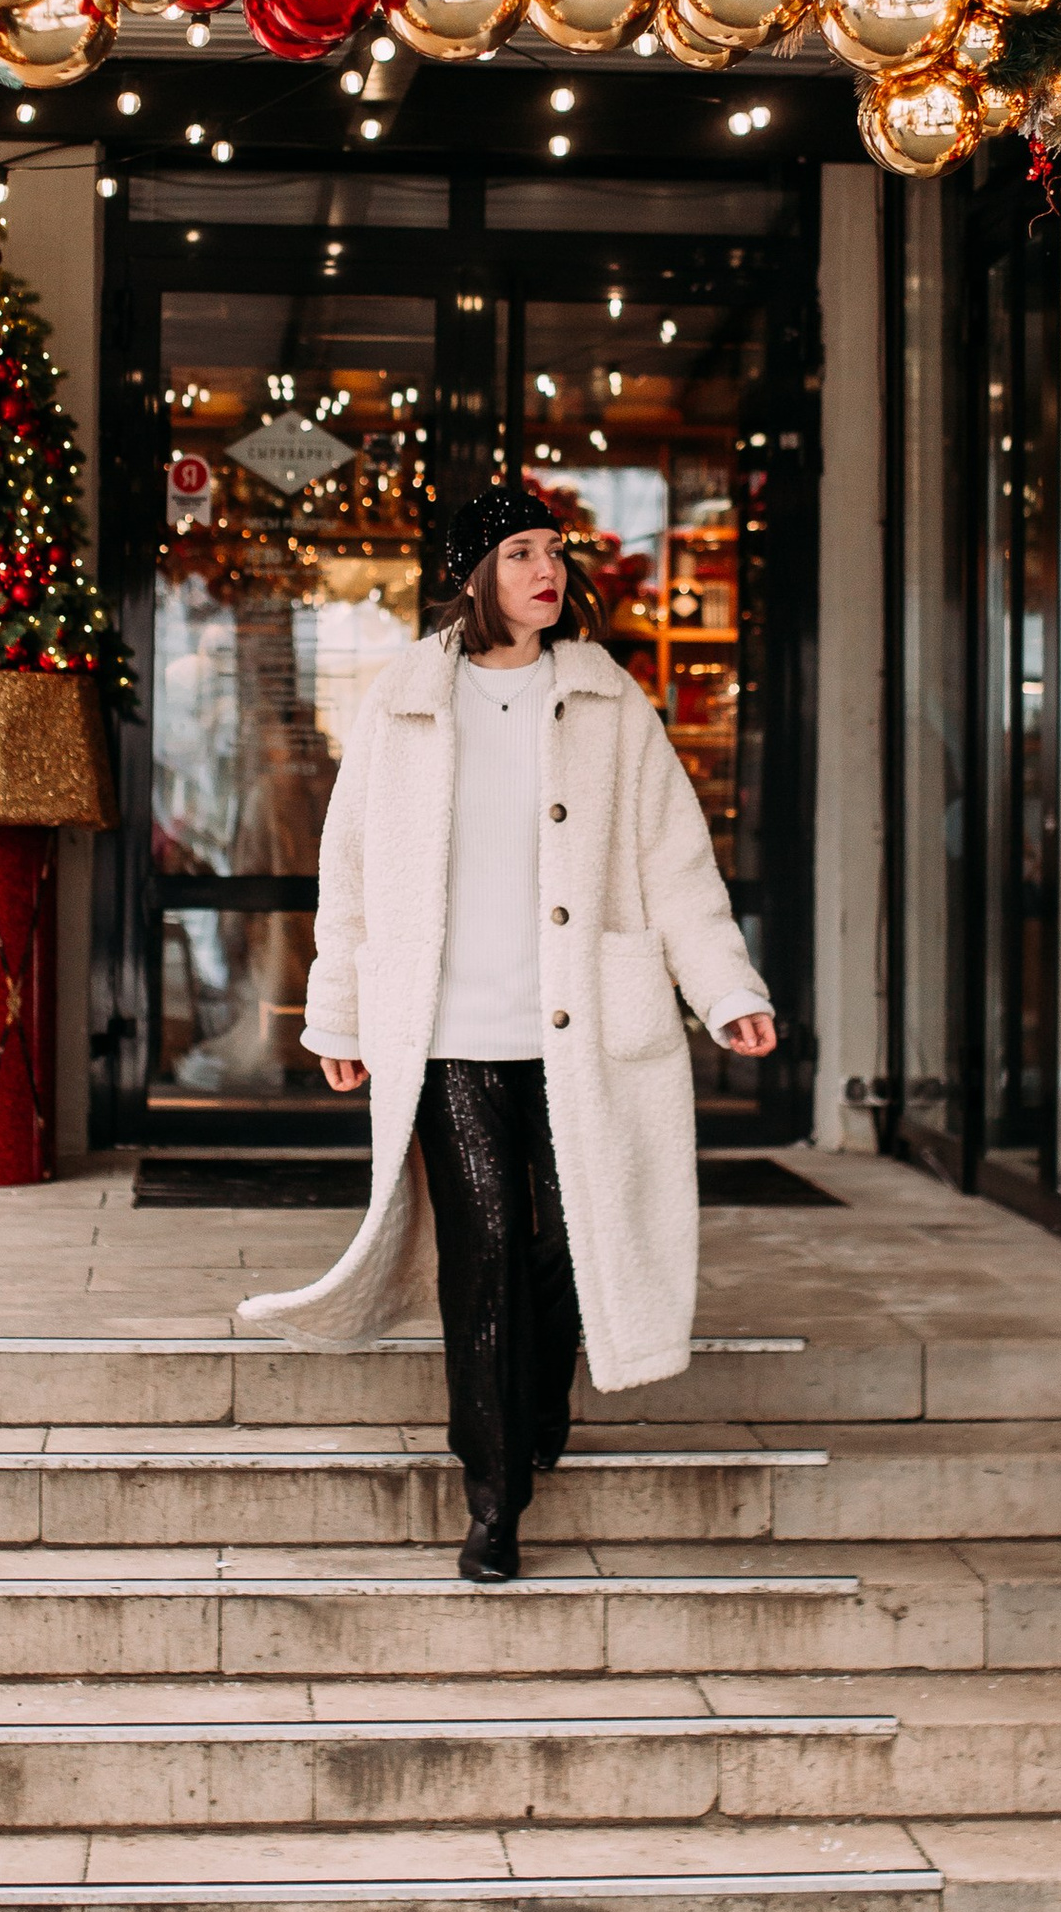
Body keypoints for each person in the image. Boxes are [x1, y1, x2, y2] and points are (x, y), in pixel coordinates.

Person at [238, 484, 778, 1583]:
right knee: (480, 1254)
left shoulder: (606, 698)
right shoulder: (401, 697)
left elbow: (675, 862)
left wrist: (726, 989)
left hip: (582, 1027)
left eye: (555, 552)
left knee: (567, 1239)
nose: (549, 572)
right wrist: (337, 1009)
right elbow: (349, 875)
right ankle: (492, 1495)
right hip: (445, 1034)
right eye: (522, 552)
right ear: (473, 572)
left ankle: (536, 1402)